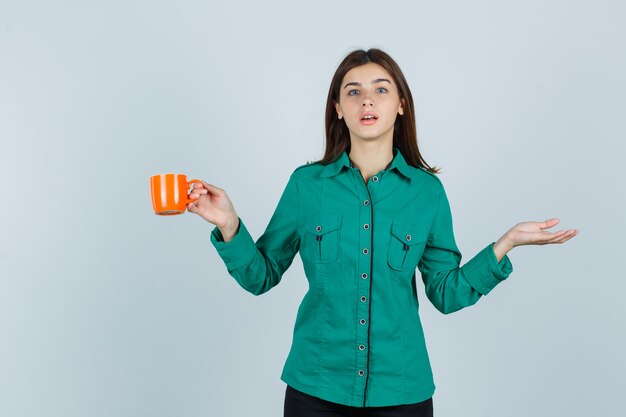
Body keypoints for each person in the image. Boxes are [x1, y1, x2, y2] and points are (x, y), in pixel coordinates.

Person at [186, 48, 579, 417]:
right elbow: (261, 275)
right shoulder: (307, 186)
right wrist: (228, 224)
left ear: (401, 105)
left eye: (380, 90)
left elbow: (446, 292)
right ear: (338, 109)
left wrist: (506, 243)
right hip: (316, 388)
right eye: (353, 92)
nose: (367, 101)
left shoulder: (426, 193)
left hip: (402, 392)